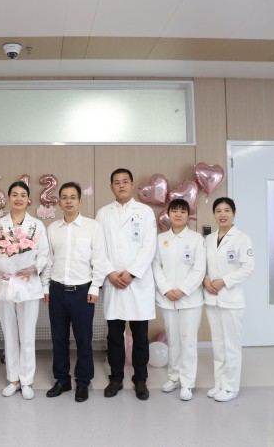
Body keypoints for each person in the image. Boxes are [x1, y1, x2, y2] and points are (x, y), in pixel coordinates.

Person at [42, 182, 108, 402]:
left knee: (83, 339)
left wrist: (95, 286)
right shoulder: (53, 229)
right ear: (59, 202)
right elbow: (48, 260)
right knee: (59, 339)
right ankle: (62, 380)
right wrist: (45, 286)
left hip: (82, 292)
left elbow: (99, 259)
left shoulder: (92, 227)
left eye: (72, 197)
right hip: (57, 291)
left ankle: (83, 382)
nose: (68, 201)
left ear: (80, 201)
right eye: (64, 197)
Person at [0, 181, 48, 400]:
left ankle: (27, 380)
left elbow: (44, 254)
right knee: (9, 333)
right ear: (9, 198)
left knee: (27, 335)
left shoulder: (36, 225)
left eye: (22, 195)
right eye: (14, 194)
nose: (18, 198)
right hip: (5, 284)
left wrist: (34, 268)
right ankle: (13, 379)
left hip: (28, 284)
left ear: (29, 199)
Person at [96, 168, 157, 400]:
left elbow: (149, 246)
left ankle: (140, 379)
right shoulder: (103, 213)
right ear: (111, 187)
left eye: (125, 182)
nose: (121, 185)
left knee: (140, 335)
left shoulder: (145, 211)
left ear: (132, 185)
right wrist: (110, 273)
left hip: (137, 283)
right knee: (114, 335)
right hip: (113, 282)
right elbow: (98, 247)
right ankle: (116, 378)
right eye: (116, 182)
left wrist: (131, 273)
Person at [152, 199, 206, 401]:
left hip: (190, 300)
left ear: (188, 215)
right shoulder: (160, 239)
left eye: (182, 211)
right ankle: (174, 377)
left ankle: (187, 382)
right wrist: (166, 289)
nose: (178, 214)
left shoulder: (196, 239)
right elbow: (155, 266)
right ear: (168, 214)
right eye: (174, 211)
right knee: (173, 340)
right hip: (167, 299)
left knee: (188, 341)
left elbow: (199, 269)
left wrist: (183, 290)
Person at [203, 197, 255, 402]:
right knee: (218, 344)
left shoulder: (242, 238)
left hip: (231, 299)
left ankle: (231, 386)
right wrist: (206, 281)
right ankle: (220, 383)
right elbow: (203, 266)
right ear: (214, 214)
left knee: (231, 344)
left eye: (227, 210)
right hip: (212, 298)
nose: (222, 214)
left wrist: (224, 281)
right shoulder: (208, 239)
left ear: (234, 213)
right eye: (218, 211)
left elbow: (248, 268)